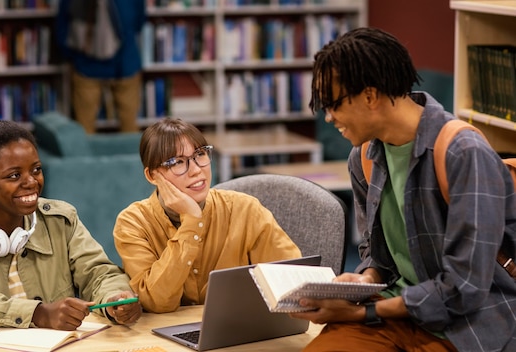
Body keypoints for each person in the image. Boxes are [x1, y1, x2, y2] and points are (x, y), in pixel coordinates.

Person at [289, 27, 516, 351]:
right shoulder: (363, 157)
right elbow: (375, 252)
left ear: (369, 96)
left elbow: (464, 289)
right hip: (392, 315)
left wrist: (362, 312)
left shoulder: (463, 153)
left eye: (333, 104)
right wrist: (365, 280)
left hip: (466, 327)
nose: (328, 117)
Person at [0, 120, 142, 352]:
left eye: (36, 170)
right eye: (14, 175)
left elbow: (99, 272)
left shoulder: (61, 219)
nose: (31, 182)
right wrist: (37, 313)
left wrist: (114, 299)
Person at [113, 118, 302, 313]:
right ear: (153, 176)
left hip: (239, 331)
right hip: (163, 338)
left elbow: (293, 279)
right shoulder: (133, 223)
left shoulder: (245, 209)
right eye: (178, 162)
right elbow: (156, 302)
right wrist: (191, 223)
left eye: (200, 154)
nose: (196, 170)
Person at [55, 0, 146, 134]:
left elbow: (62, 29)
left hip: (86, 65)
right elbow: (139, 22)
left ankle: (86, 155)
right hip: (124, 63)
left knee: (84, 129)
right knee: (129, 127)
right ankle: (132, 154)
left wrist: (73, 56)